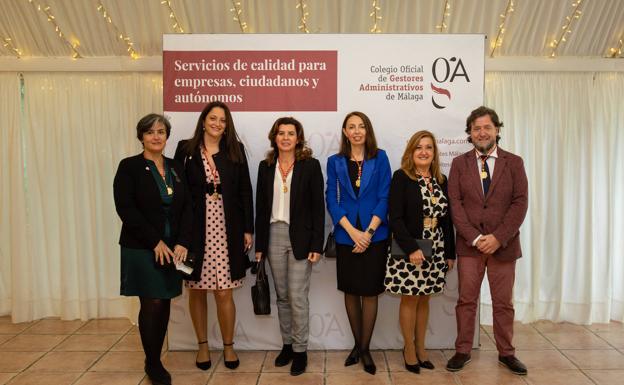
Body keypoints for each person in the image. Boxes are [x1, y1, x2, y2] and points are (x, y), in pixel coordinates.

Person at [445, 106, 528, 375]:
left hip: (504, 246)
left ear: (497, 130)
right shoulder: (459, 164)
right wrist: (477, 237)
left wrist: (498, 237)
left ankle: (507, 353)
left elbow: (520, 203)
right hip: (470, 247)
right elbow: (455, 205)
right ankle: (463, 350)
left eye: (486, 127)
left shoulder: (514, 162)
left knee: (503, 303)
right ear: (470, 133)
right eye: (476, 128)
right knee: (466, 300)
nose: (481, 132)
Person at [174, 101, 254, 371]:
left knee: (224, 292)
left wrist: (247, 228)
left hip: (226, 228)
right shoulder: (185, 149)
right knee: (196, 290)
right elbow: (179, 193)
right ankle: (203, 346)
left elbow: (245, 190)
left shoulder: (235, 149)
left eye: (223, 120)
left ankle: (229, 347)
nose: (218, 123)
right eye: (213, 118)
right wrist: (179, 237)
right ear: (203, 120)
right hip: (194, 231)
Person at [113, 113, 191, 385]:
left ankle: (155, 356)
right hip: (142, 247)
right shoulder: (129, 167)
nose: (156, 136)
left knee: (165, 300)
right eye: (150, 132)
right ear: (141, 136)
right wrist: (154, 241)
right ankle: (153, 362)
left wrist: (182, 241)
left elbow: (188, 208)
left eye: (161, 131)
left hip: (173, 249)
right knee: (152, 302)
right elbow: (126, 209)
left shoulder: (176, 167)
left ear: (167, 136)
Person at [254, 117, 325, 376]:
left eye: (290, 133)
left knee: (297, 296)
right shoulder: (265, 166)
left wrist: (317, 242)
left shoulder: (310, 166)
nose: (285, 137)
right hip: (273, 234)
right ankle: (286, 345)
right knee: (282, 296)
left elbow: (319, 207)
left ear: (298, 138)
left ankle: (300, 351)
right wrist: (259, 245)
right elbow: (261, 208)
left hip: (301, 238)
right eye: (281, 133)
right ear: (274, 137)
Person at [326, 111, 391, 375]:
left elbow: (385, 195)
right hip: (346, 235)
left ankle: (364, 350)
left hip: (375, 236)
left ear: (367, 130)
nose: (356, 131)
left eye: (361, 126)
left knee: (371, 292)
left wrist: (369, 232)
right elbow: (331, 197)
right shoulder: (335, 161)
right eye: (351, 127)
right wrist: (353, 232)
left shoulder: (381, 157)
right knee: (351, 291)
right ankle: (358, 345)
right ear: (344, 132)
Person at [386, 130, 456, 374]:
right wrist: (412, 248)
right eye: (419, 147)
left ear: (434, 152)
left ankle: (422, 348)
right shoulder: (401, 178)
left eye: (428, 147)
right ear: (411, 152)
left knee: (425, 298)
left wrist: (450, 252)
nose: (424, 152)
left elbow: (447, 221)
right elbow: (394, 218)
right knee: (410, 298)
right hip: (411, 247)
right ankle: (408, 349)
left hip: (435, 246)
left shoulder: (441, 179)